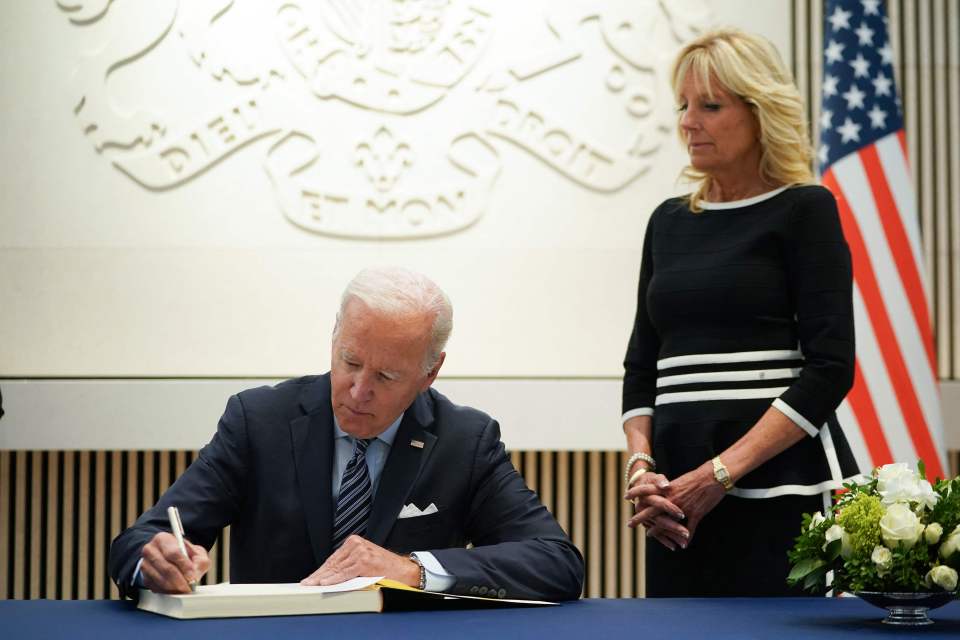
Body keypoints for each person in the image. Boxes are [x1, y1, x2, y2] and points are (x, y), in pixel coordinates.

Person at [110, 267, 584, 601]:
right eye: (350, 362)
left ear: (430, 372)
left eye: (387, 377)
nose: (358, 391)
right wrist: (155, 560)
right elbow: (140, 541)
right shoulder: (259, 420)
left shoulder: (465, 439)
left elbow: (555, 563)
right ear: (335, 335)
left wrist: (412, 570)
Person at [621, 28, 859, 597]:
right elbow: (641, 367)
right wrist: (641, 470)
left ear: (759, 112)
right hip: (676, 504)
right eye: (682, 105)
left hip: (783, 496)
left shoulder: (806, 210)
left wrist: (720, 474)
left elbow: (830, 369)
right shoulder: (667, 221)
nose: (688, 121)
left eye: (710, 105)